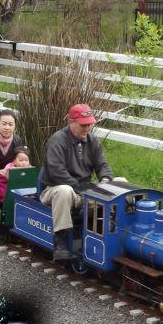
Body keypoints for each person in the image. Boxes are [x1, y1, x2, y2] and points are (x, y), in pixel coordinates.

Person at [40, 104, 114, 260]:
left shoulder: (93, 141)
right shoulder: (57, 140)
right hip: (55, 189)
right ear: (71, 121)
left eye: (89, 124)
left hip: (84, 190)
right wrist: (85, 190)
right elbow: (57, 173)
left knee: (121, 183)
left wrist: (106, 181)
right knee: (64, 191)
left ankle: (110, 230)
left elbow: (102, 165)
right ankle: (60, 240)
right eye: (83, 125)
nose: (87, 128)